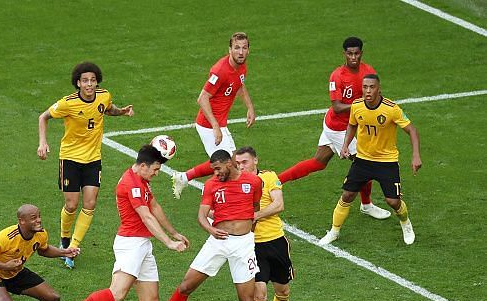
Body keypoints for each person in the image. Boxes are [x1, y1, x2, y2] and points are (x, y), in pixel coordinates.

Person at [52, 145, 189, 301]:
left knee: (150, 300)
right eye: (155, 170)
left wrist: (174, 232)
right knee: (117, 293)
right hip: (130, 245)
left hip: (142, 245)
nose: (157, 174)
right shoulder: (131, 184)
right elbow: (146, 216)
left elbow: (154, 207)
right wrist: (168, 242)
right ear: (144, 166)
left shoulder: (142, 179)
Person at [136, 150, 264, 301]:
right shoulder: (212, 185)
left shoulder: (253, 182)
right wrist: (210, 229)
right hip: (217, 242)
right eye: (212, 169)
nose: (215, 173)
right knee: (186, 286)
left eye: (218, 168)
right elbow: (202, 215)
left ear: (230, 163)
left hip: (243, 246)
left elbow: (254, 209)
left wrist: (246, 236)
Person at [277, 37, 391, 220]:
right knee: (364, 165)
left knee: (318, 162)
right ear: (344, 54)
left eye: (356, 53)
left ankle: (275, 181)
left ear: (361, 53)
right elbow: (337, 107)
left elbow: (376, 95)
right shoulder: (337, 76)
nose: (353, 57)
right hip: (339, 127)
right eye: (349, 53)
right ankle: (367, 205)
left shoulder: (369, 72)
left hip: (343, 126)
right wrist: (361, 104)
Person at [37, 61, 134, 268]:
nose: (89, 84)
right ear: (78, 83)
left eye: (92, 80)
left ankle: (72, 247)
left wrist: (122, 111)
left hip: (93, 159)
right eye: (85, 81)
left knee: (90, 204)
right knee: (71, 205)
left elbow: (106, 109)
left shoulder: (104, 95)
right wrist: (43, 142)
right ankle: (64, 239)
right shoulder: (68, 103)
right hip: (70, 158)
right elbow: (43, 117)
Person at [318, 74, 421, 246]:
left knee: (393, 201)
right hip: (363, 160)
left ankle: (405, 223)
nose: (368, 90)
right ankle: (334, 231)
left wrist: (416, 155)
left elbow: (412, 130)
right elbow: (352, 125)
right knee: (347, 194)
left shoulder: (391, 109)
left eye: (371, 87)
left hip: (386, 162)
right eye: (365, 87)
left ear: (379, 89)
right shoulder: (357, 106)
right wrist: (345, 145)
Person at [171, 32, 255, 199]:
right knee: (227, 165)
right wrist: (215, 127)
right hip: (208, 125)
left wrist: (250, 107)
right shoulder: (220, 70)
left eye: (244, 48)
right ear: (229, 49)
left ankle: (183, 178)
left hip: (219, 123)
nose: (240, 52)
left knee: (228, 162)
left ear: (248, 50)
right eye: (236, 48)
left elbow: (239, 85)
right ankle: (210, 199)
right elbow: (202, 98)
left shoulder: (241, 65)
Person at [235, 146, 295, 301]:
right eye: (238, 163)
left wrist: (255, 215)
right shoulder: (235, 185)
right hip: (252, 247)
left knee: (283, 290)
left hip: (277, 242)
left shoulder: (269, 177)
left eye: (244, 162)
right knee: (259, 295)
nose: (241, 166)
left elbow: (279, 204)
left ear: (255, 161)